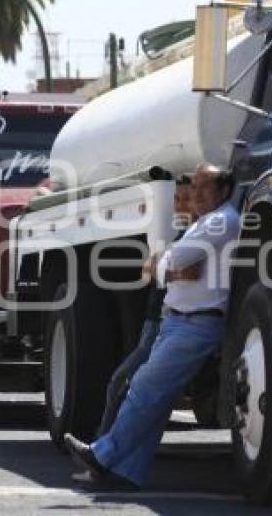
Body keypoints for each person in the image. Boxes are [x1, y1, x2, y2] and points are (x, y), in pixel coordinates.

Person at [64, 163, 240, 491]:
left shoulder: (220, 222)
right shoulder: (207, 222)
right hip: (178, 320)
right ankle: (128, 472)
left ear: (225, 191)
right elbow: (163, 266)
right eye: (195, 188)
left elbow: (170, 262)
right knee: (155, 401)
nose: (196, 196)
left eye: (205, 188)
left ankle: (102, 455)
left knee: (143, 388)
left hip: (195, 323)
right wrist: (167, 264)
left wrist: (166, 264)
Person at [95, 177, 196, 437]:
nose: (180, 205)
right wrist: (163, 267)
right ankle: (107, 449)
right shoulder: (182, 235)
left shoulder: (200, 235)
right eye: (176, 199)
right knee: (133, 388)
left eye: (186, 198)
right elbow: (148, 269)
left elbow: (187, 272)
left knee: (124, 384)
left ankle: (103, 447)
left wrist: (163, 268)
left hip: (167, 324)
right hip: (155, 321)